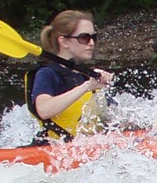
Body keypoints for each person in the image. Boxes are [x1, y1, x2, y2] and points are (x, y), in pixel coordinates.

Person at [26, 10, 115, 141]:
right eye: (84, 37)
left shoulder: (84, 75)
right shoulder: (47, 73)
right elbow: (43, 110)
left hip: (84, 147)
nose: (91, 43)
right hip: (55, 149)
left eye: (93, 37)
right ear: (64, 42)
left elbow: (112, 118)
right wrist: (87, 86)